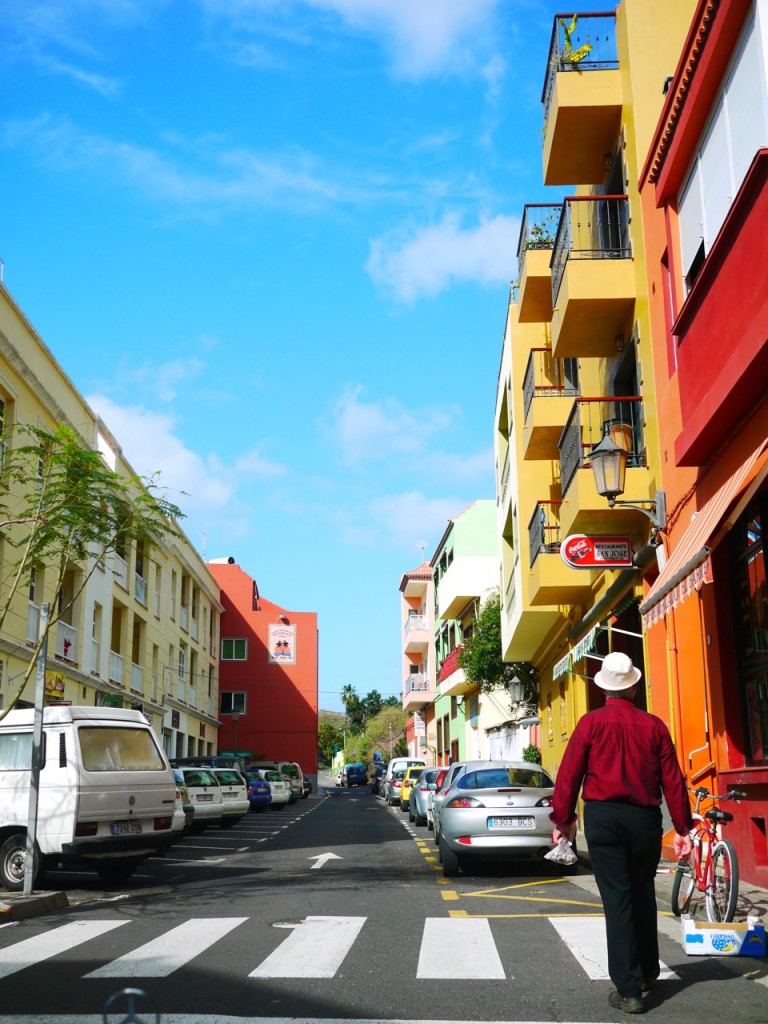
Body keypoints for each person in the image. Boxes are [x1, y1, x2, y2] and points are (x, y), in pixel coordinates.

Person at [550, 651, 693, 1015]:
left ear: (605, 689)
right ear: (633, 687)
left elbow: (569, 775)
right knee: (643, 890)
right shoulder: (655, 726)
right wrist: (683, 828)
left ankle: (629, 990)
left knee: (618, 898)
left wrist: (562, 820)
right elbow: (672, 780)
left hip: (604, 819)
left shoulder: (590, 724)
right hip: (645, 819)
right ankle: (647, 972)